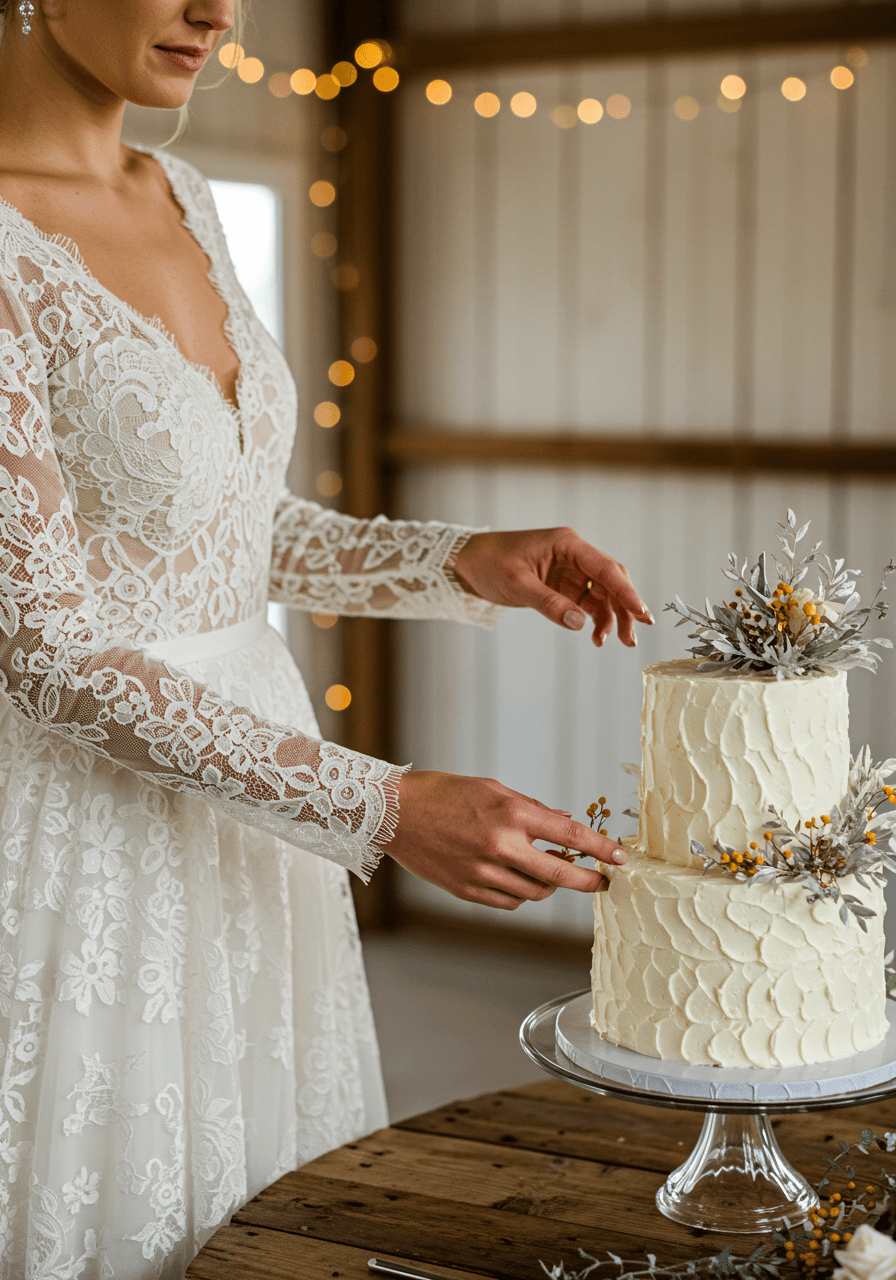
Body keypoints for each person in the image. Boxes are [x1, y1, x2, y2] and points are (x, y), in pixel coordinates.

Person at [0, 1, 654, 1275]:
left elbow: (225, 530)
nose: (215, 10)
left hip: (256, 806)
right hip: (82, 819)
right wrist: (379, 804)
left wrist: (458, 558)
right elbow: (46, 645)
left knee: (266, 1191)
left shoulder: (183, 193)